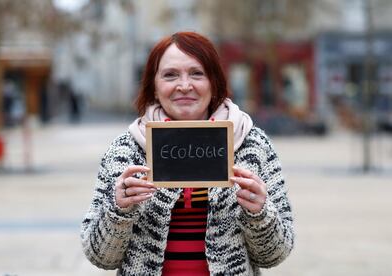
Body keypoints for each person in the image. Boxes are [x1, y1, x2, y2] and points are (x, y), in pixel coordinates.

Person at [81, 32, 294, 275]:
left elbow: (275, 255)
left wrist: (259, 212)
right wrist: (119, 209)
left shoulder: (253, 145)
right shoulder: (126, 151)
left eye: (197, 73)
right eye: (170, 75)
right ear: (153, 86)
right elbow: (101, 257)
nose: (184, 85)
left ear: (214, 82)